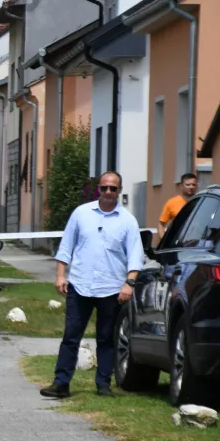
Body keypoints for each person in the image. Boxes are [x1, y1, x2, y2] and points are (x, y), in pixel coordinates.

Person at [40, 171, 143, 399]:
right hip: (80, 285)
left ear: (119, 191)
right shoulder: (81, 213)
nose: (108, 192)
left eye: (112, 188)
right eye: (104, 187)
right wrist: (60, 275)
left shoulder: (127, 221)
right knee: (71, 336)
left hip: (111, 288)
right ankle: (61, 383)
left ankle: (103, 385)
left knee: (106, 338)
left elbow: (135, 256)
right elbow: (66, 246)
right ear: (99, 189)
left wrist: (129, 284)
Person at [158, 173, 197, 237]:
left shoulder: (200, 201)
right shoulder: (172, 203)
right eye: (188, 185)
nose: (191, 187)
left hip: (197, 241)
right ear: (181, 186)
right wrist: (163, 240)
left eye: (193, 185)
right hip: (177, 242)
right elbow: (161, 223)